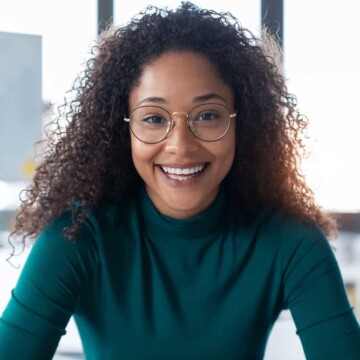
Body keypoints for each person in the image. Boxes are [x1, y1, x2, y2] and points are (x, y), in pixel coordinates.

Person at [1, 2, 359, 359]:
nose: (181, 146)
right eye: (153, 118)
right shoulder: (77, 238)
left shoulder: (290, 242)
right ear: (121, 129)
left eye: (207, 115)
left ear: (241, 123)